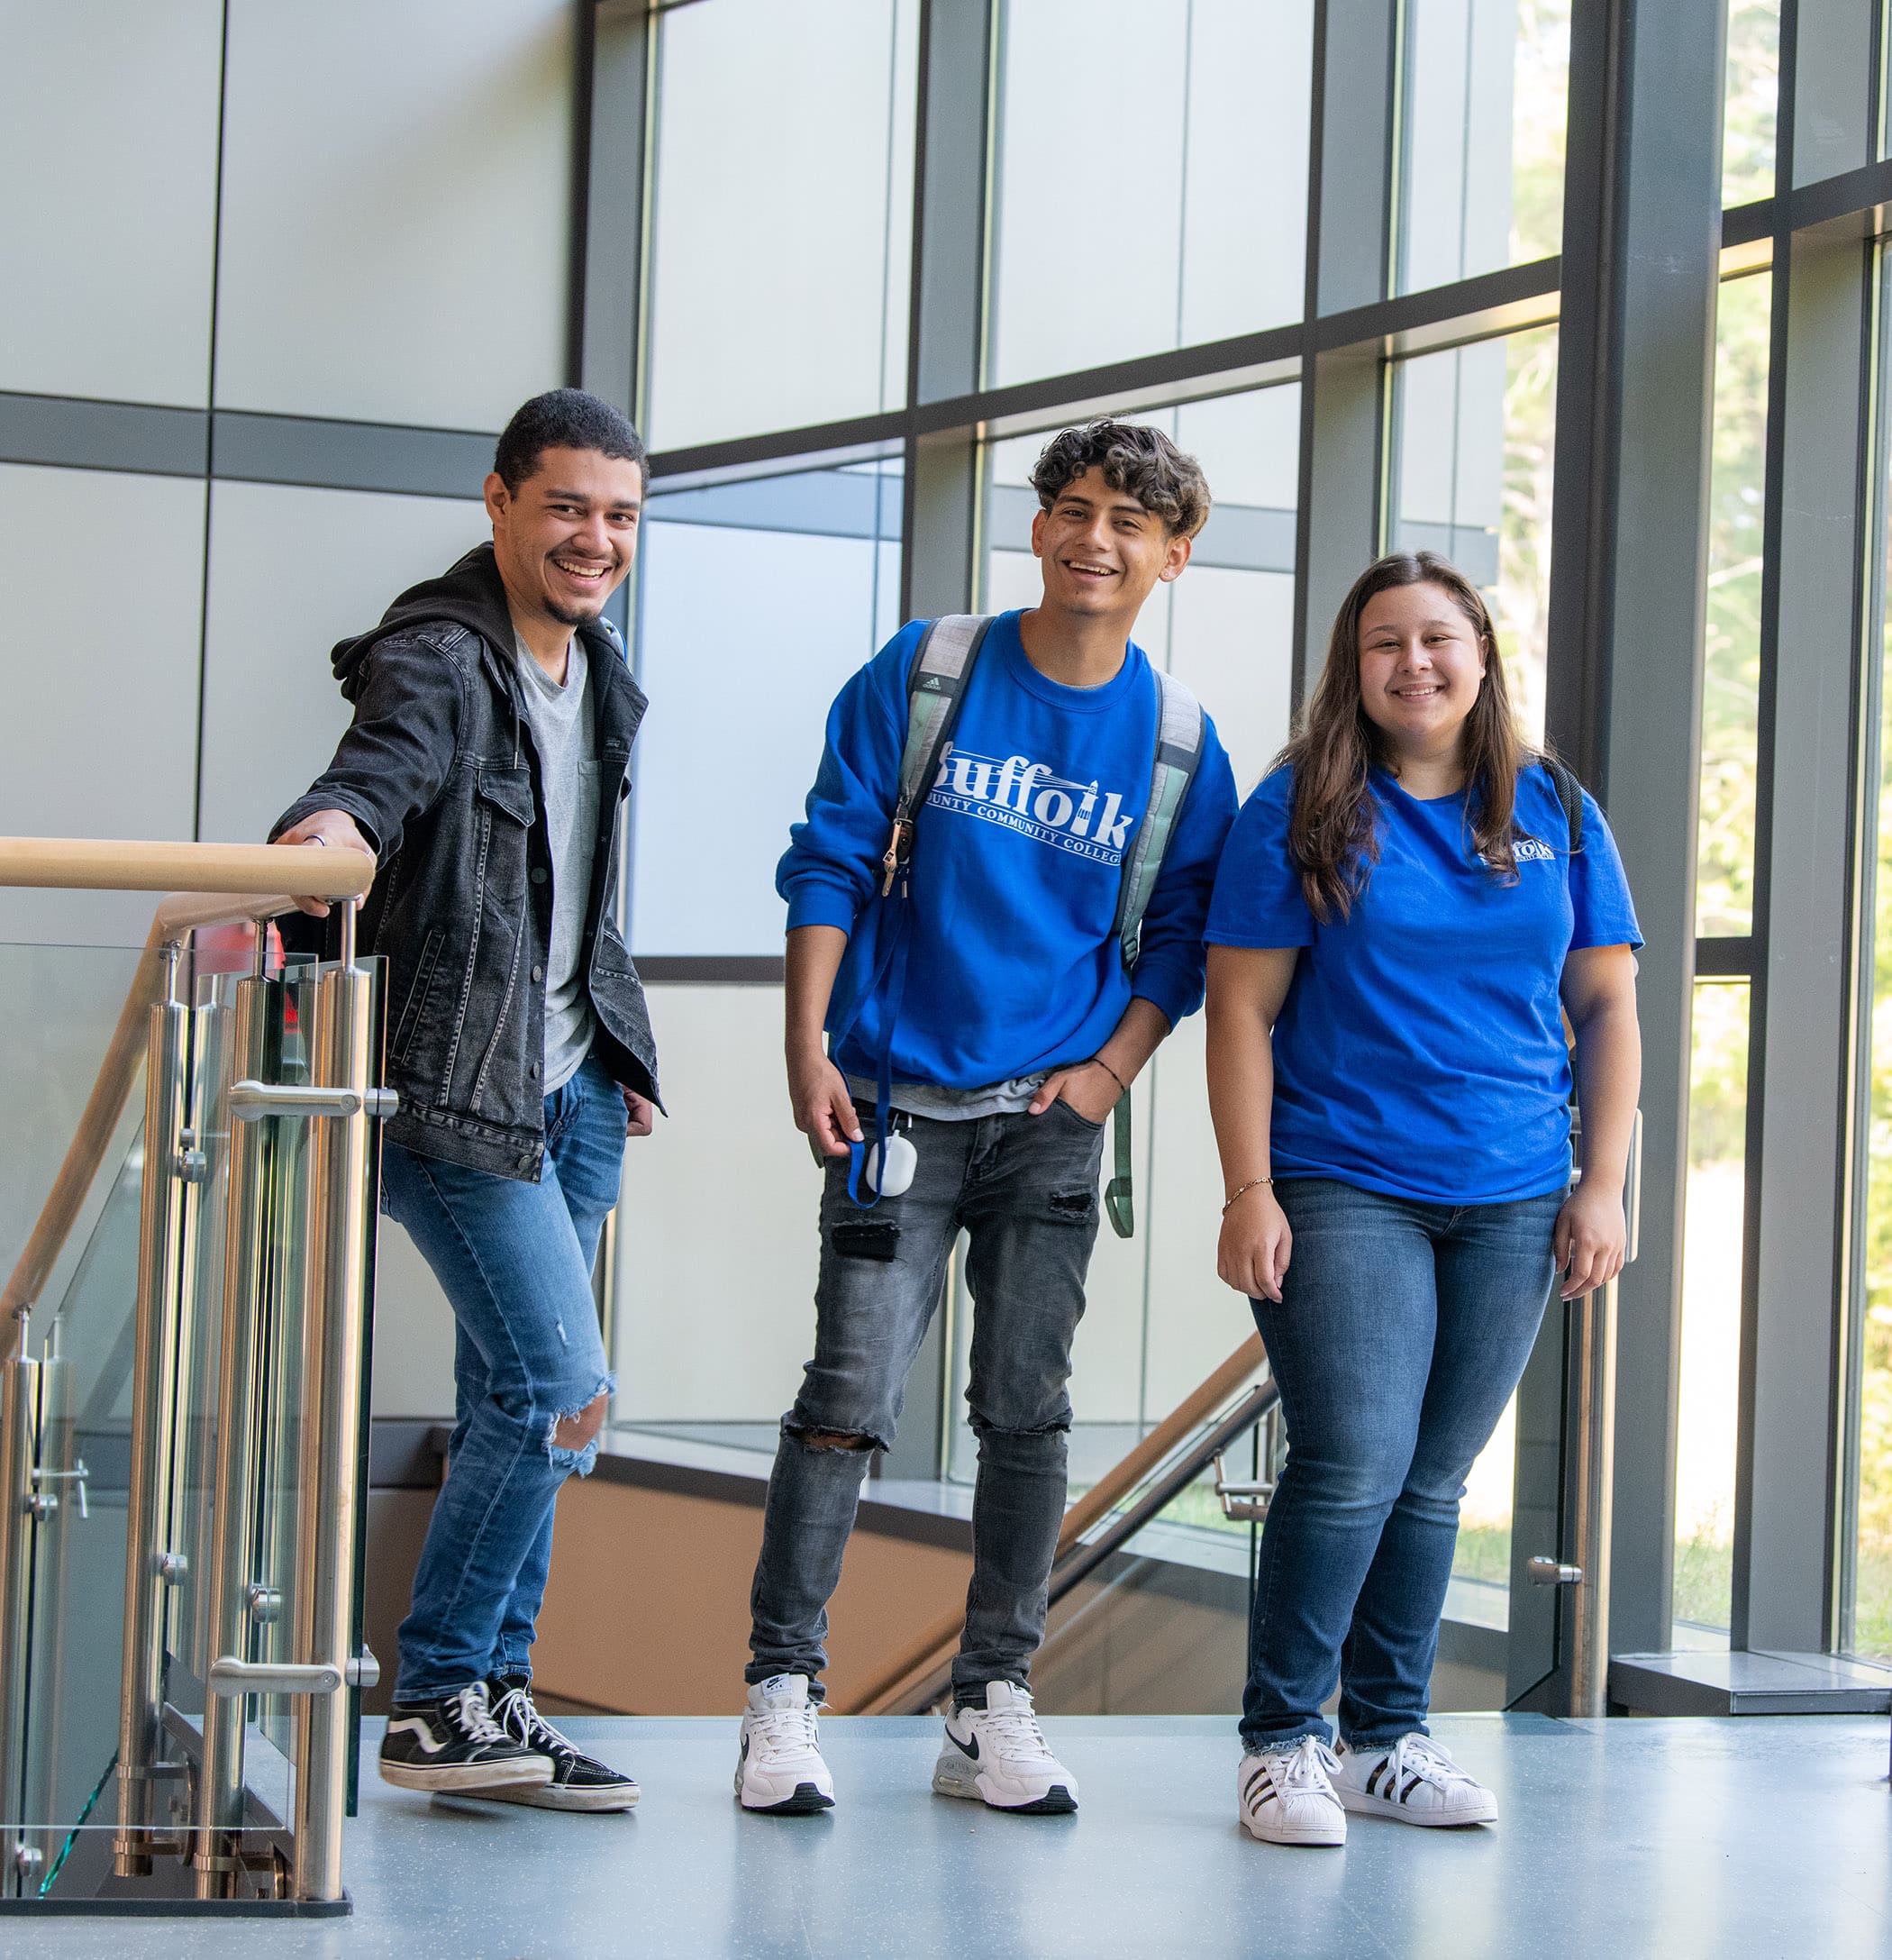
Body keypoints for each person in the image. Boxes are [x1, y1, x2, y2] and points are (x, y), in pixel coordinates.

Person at [735, 420, 1238, 1818]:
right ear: (1038, 528)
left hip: (1051, 1122)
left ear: (1173, 556)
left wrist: (1110, 1076)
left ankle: (991, 1701)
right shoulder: (930, 669)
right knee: (847, 1398)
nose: (1096, 538)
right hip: (894, 1100)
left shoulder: (1184, 742)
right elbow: (828, 854)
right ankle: (783, 1696)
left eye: (1130, 523)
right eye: (1074, 509)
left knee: (1026, 1414)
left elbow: (1183, 942)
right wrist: (806, 1045)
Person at [1203, 551, 1642, 1847]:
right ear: (1354, 667)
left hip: (1513, 1189)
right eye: (1384, 642)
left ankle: (1386, 1739)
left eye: (1438, 637)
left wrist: (1602, 1182)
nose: (1415, 663)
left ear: (1483, 655)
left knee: (1437, 1478)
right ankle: (1284, 1741)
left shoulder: (1555, 805)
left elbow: (1608, 1001)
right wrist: (1249, 1189)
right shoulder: (1301, 807)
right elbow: (1241, 1007)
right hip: (1342, 1174)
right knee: (1353, 1462)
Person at [270, 388, 660, 1813]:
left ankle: (493, 1694)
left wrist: (614, 1048)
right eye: (566, 507)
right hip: (452, 1097)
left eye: (618, 515)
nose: (593, 538)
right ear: (499, 503)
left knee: (526, 1399)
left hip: (572, 1092)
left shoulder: (599, 673)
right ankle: (437, 1692)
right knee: (562, 1389)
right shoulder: (443, 656)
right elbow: (370, 781)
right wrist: (329, 837)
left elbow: (574, 893)